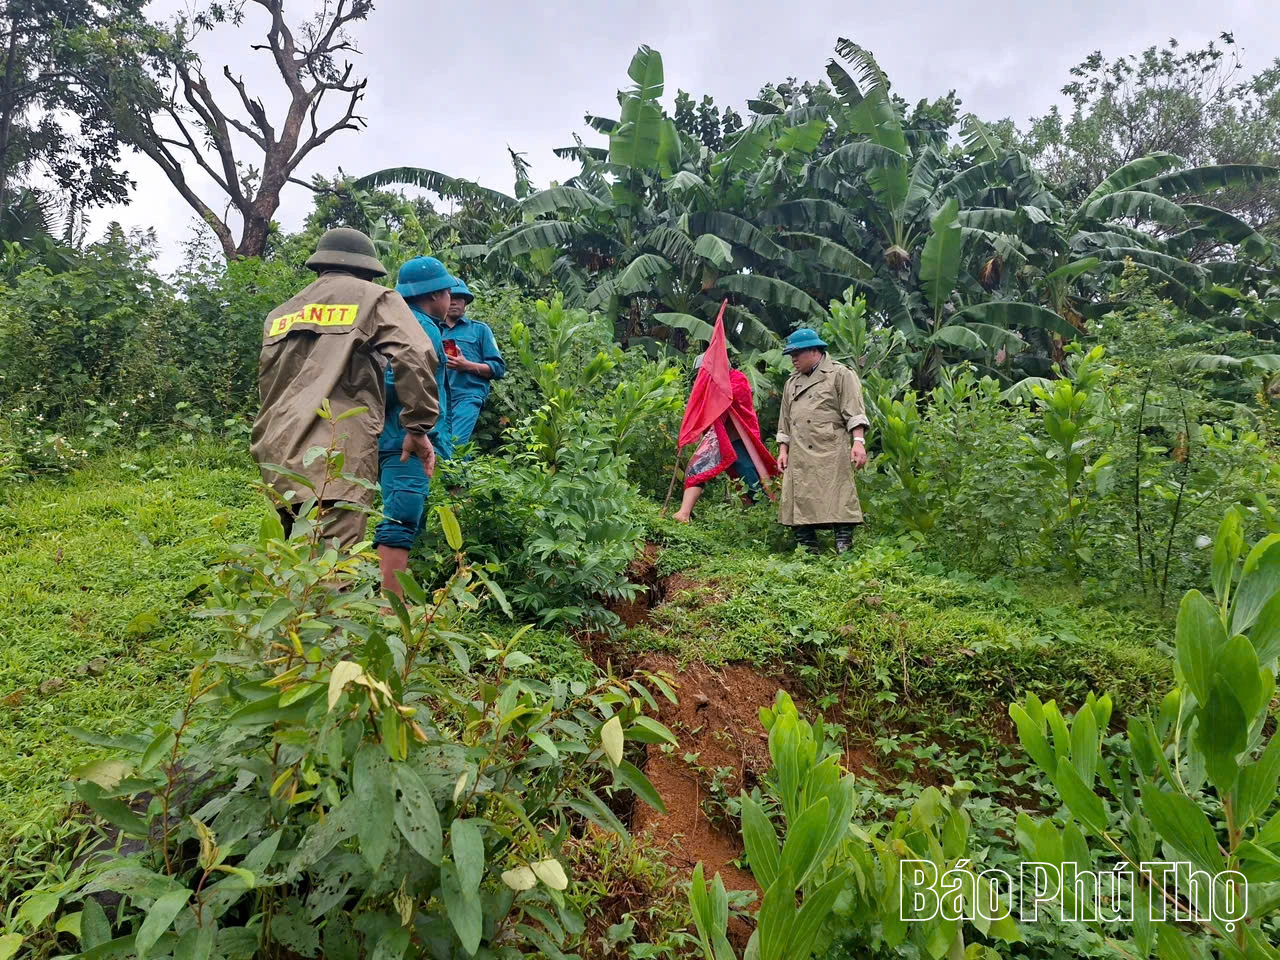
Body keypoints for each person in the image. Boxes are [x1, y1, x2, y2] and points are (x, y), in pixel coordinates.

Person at [251, 227, 439, 552]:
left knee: (298, 565)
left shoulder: (281, 314)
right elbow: (416, 353)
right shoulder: (375, 298)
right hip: (337, 453)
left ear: (320, 266)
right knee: (331, 574)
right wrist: (418, 426)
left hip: (278, 452)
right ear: (367, 269)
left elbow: (270, 383)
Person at [375, 256, 456, 597]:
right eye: (449, 293)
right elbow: (392, 379)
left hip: (395, 434)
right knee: (403, 512)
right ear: (436, 295)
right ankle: (390, 605)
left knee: (408, 511)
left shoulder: (398, 322)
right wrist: (417, 427)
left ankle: (398, 590)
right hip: (403, 438)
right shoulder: (418, 328)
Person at [775, 328, 870, 554]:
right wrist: (783, 450)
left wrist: (858, 442)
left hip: (830, 448)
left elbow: (854, 412)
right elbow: (785, 421)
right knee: (797, 497)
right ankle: (807, 548)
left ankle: (843, 546)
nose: (793, 359)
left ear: (814, 351)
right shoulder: (792, 383)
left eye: (797, 354)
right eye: (791, 355)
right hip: (799, 452)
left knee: (838, 495)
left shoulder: (840, 374)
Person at [673, 353, 778, 523]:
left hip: (739, 439)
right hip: (716, 438)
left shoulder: (738, 380)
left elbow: (731, 399)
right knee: (696, 468)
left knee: (748, 476)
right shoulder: (705, 386)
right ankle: (684, 513)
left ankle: (763, 518)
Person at [440, 279, 505, 452]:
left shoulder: (480, 330)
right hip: (438, 399)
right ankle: (465, 477)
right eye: (450, 297)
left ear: (466, 303)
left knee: (455, 444)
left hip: (468, 397)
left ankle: (458, 476)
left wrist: (466, 365)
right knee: (440, 446)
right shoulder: (432, 329)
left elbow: (498, 369)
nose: (454, 302)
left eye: (460, 298)